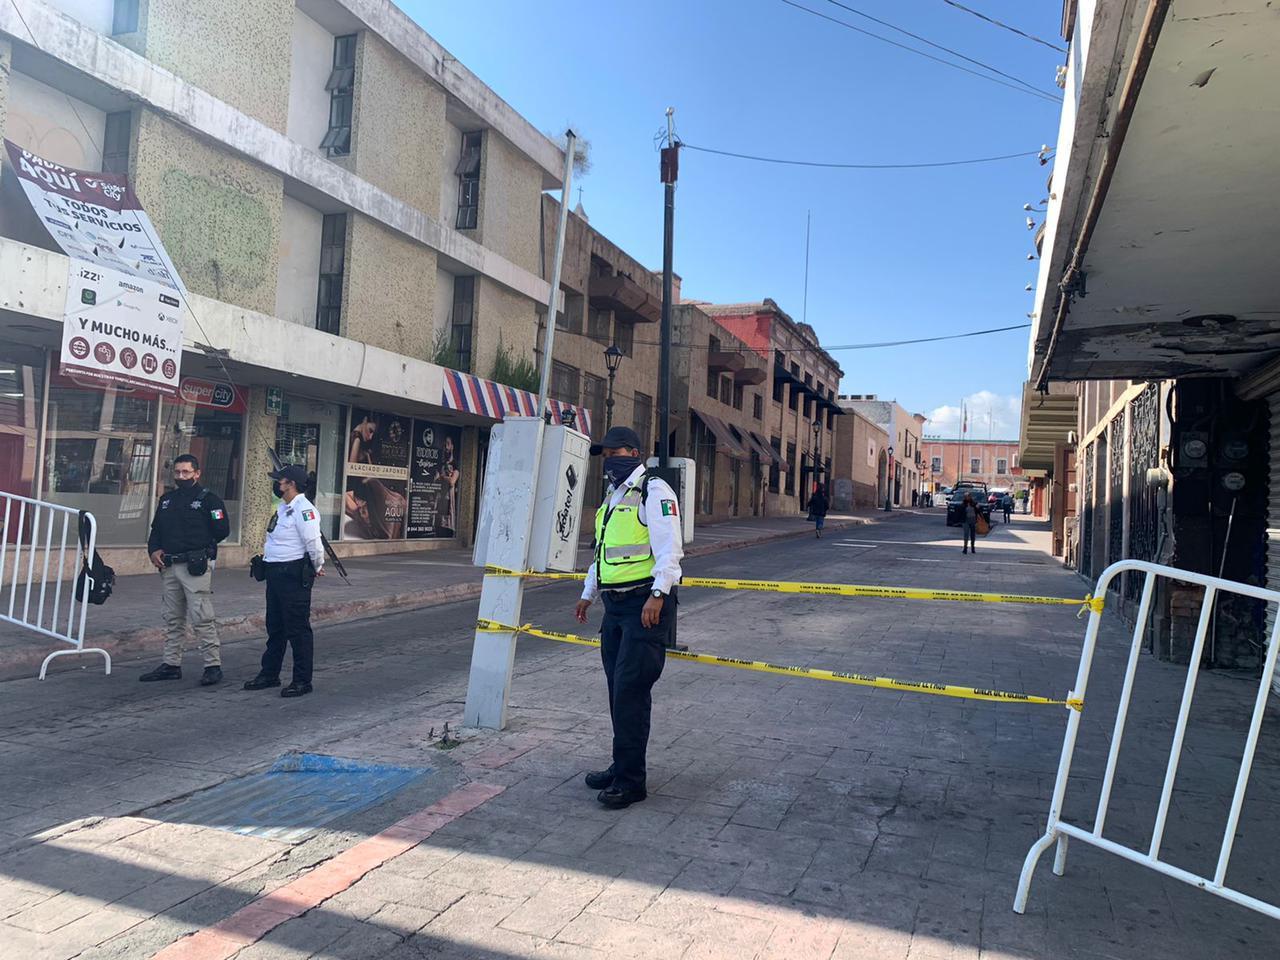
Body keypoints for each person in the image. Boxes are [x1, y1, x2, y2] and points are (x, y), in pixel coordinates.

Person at [573, 426, 683, 810]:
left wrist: (658, 594)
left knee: (630, 692)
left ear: (634, 453)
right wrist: (588, 593)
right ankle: (622, 765)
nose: (608, 460)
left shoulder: (655, 490)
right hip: (615, 606)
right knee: (616, 691)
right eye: (604, 455)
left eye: (614, 453)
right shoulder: (613, 496)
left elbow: (670, 550)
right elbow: (602, 551)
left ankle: (631, 781)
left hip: (644, 606)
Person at [140, 454, 230, 686]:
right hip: (169, 565)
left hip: (194, 567)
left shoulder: (209, 500)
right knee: (172, 617)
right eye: (178, 472)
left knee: (202, 617)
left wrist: (201, 547)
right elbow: (156, 530)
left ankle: (212, 665)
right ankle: (171, 664)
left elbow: (221, 530)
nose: (181, 476)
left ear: (197, 473)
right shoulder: (167, 500)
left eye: (186, 472)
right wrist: (153, 550)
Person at [245, 464, 325, 698]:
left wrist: (316, 566)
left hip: (292, 574)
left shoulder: (304, 509)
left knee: (297, 629)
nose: (277, 484)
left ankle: (302, 680)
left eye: (280, 481)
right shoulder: (283, 508)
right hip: (275, 573)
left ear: (291, 484)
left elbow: (313, 543)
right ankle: (270, 673)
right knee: (276, 627)